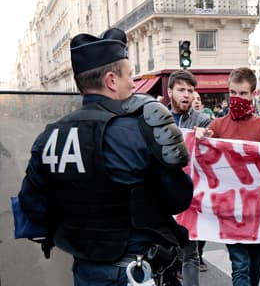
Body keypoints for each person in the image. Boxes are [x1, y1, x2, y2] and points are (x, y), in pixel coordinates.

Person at [16, 28, 193, 285]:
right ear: (111, 80)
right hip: (136, 272)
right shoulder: (139, 130)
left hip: (85, 271)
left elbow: (32, 206)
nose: (133, 85)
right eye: (129, 76)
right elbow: (179, 198)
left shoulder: (49, 137)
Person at [195, 67, 260, 286]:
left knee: (256, 264)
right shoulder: (217, 126)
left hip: (258, 210)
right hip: (230, 209)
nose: (237, 98)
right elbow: (200, 156)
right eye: (233, 93)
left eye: (242, 94)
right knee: (240, 265)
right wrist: (200, 139)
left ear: (253, 94)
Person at [167, 69, 211, 285]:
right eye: (181, 89)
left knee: (190, 254)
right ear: (170, 91)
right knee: (163, 255)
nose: (186, 95)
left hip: (189, 199)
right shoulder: (156, 119)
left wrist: (205, 141)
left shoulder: (202, 121)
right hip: (162, 198)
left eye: (190, 90)